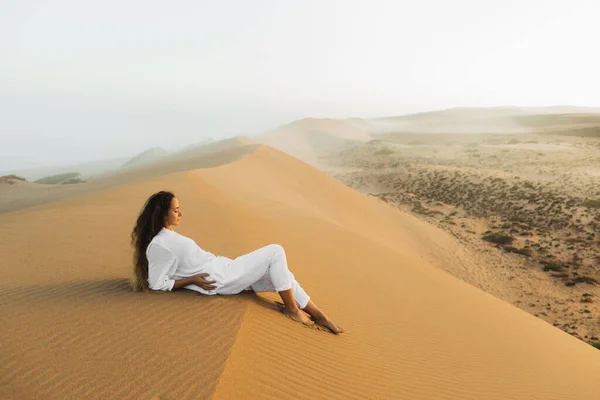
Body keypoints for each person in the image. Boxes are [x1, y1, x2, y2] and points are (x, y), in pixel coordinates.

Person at [131, 190, 344, 334]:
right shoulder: (159, 245)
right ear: (162, 213)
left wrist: (191, 277)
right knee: (275, 252)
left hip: (225, 269)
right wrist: (191, 280)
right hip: (221, 279)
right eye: (175, 210)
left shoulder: (167, 236)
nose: (181, 213)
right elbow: (157, 284)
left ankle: (319, 316)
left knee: (283, 276)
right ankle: (292, 309)